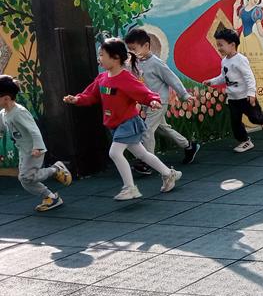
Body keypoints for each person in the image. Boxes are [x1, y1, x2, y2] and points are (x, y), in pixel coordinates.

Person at [63, 38, 182, 201]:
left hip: (128, 123)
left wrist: (153, 101)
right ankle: (169, 173)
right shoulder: (102, 78)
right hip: (115, 124)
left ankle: (130, 188)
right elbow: (90, 95)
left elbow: (144, 92)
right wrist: (77, 99)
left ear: (116, 58)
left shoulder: (125, 78)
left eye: (102, 55)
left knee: (115, 152)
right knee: (142, 153)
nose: (99, 58)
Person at [205, 28, 263, 153]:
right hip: (233, 99)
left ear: (232, 45)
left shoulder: (240, 60)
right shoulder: (224, 61)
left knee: (256, 118)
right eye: (217, 45)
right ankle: (245, 141)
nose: (219, 48)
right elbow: (224, 77)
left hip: (245, 97)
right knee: (235, 122)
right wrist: (212, 82)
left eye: (221, 45)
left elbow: (249, 77)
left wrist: (251, 93)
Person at [125, 28, 200, 170]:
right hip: (147, 102)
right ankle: (189, 146)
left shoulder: (156, 63)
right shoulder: (134, 62)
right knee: (163, 129)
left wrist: (184, 95)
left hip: (159, 102)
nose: (131, 52)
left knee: (146, 130)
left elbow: (172, 79)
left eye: (133, 49)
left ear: (146, 45)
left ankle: (147, 162)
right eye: (129, 49)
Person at [0, 75, 71, 212]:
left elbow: (34, 130)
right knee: (25, 180)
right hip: (23, 150)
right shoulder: (4, 113)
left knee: (26, 177)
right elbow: (2, 126)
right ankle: (50, 197)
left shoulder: (19, 112)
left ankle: (55, 169)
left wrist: (38, 147)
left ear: (6, 98)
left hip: (33, 150)